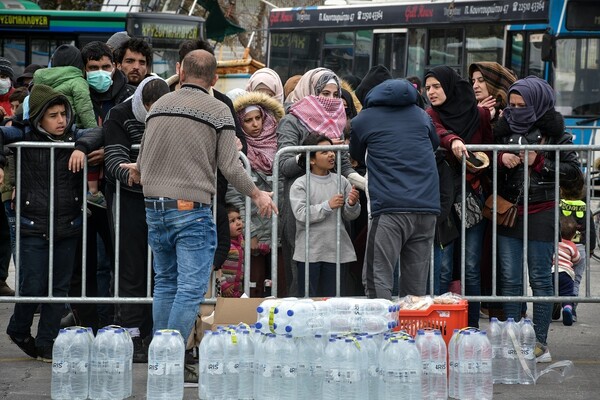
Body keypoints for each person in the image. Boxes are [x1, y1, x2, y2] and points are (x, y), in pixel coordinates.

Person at [119, 49, 276, 343]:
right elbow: (230, 165)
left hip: (155, 206)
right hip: (190, 208)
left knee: (165, 282)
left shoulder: (161, 103)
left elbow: (147, 147)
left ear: (180, 72)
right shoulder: (218, 109)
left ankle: (159, 351)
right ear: (215, 78)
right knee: (191, 287)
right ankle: (170, 350)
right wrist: (256, 194)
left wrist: (138, 169)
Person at [2, 84, 102, 361]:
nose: (61, 120)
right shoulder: (23, 134)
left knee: (59, 289)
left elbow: (98, 132)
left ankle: (47, 342)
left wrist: (81, 147)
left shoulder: (73, 135)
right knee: (32, 286)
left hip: (67, 225)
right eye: (53, 115)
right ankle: (19, 329)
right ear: (38, 118)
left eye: (63, 114)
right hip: (32, 226)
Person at [494, 75, 580, 363]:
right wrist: (500, 159)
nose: (515, 110)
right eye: (512, 104)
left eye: (522, 105)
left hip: (543, 212)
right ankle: (512, 339)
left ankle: (540, 342)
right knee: (509, 279)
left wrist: (539, 161)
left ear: (538, 104)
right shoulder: (502, 129)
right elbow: (485, 167)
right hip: (510, 213)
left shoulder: (556, 132)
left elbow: (573, 173)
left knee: (541, 279)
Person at [278, 67, 364, 296]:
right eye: (324, 93)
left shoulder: (336, 120)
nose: (330, 100)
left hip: (334, 212)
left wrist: (363, 184)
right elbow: (283, 164)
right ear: (310, 90)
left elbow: (344, 166)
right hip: (302, 206)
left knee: (333, 282)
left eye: (335, 95)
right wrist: (310, 153)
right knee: (302, 280)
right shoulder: (291, 121)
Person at [350, 78, 440, 299]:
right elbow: (434, 143)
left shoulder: (364, 119)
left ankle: (380, 329)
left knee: (377, 275)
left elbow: (356, 154)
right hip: (426, 207)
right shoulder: (421, 115)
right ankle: (411, 330)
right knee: (416, 285)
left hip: (390, 207)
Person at [103, 75, 170, 362]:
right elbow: (114, 159)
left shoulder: (173, 112)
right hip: (129, 199)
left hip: (165, 199)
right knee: (130, 266)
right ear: (142, 104)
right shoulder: (120, 114)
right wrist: (133, 173)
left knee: (163, 269)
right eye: (151, 110)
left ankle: (158, 333)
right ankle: (132, 334)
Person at [424, 65, 494, 328]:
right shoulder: (429, 114)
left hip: (473, 197)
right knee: (442, 269)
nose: (431, 92)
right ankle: (441, 328)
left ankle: (472, 327)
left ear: (450, 86)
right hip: (443, 199)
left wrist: (490, 160)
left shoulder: (480, 115)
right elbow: (437, 131)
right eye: (428, 87)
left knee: (471, 267)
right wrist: (453, 140)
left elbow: (490, 146)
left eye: (436, 86)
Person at [229, 90, 284, 296]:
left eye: (258, 118)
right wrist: (249, 231)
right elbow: (235, 196)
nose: (255, 124)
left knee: (278, 286)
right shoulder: (239, 152)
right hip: (253, 233)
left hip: (278, 228)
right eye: (248, 120)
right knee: (254, 286)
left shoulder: (280, 146)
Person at [291, 134, 360, 297]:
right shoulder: (300, 183)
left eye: (331, 150)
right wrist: (327, 206)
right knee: (308, 301)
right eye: (324, 152)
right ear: (311, 159)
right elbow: (301, 214)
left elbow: (351, 215)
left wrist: (351, 204)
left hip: (336, 251)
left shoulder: (341, 181)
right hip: (309, 252)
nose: (331, 155)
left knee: (334, 301)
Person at [557, 169, 594, 323]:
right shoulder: (584, 206)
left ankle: (554, 305)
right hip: (579, 248)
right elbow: (590, 228)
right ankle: (571, 309)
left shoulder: (558, 204)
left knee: (555, 277)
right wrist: (590, 247)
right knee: (575, 280)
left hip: (559, 247)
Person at [33, 45, 97, 129]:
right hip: (71, 128)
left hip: (48, 129)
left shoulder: (44, 79)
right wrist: (95, 131)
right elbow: (85, 110)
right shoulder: (78, 81)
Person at [552, 215, 580, 326]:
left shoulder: (554, 242)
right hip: (566, 274)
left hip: (552, 272)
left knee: (549, 293)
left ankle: (548, 313)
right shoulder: (572, 245)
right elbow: (577, 259)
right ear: (573, 234)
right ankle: (567, 308)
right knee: (567, 294)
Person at [219, 204, 247, 298]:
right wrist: (223, 285)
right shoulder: (222, 246)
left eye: (239, 218)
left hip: (237, 290)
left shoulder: (242, 241)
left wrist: (261, 247)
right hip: (223, 290)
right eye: (232, 221)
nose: (238, 223)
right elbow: (218, 268)